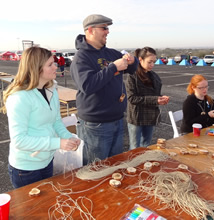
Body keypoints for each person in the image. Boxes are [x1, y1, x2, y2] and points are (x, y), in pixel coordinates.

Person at [2, 47, 81, 188]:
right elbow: (19, 140)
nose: (56, 66)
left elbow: (56, 121)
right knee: (31, 210)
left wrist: (69, 137)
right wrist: (58, 143)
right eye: (50, 64)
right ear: (36, 68)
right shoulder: (19, 97)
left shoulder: (51, 90)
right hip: (25, 169)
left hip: (47, 161)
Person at [70, 14, 138, 165]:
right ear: (91, 30)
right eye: (104, 28)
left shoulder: (111, 53)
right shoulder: (81, 58)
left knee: (114, 166)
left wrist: (133, 60)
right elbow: (87, 85)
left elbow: (132, 68)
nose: (107, 32)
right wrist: (113, 67)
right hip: (95, 125)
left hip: (116, 120)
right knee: (95, 169)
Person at [125, 47, 170, 150]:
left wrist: (161, 99)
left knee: (146, 146)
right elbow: (132, 98)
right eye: (149, 62)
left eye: (154, 62)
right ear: (140, 59)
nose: (152, 65)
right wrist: (155, 100)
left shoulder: (154, 76)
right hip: (137, 117)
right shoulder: (133, 76)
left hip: (150, 116)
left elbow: (155, 94)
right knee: (135, 148)